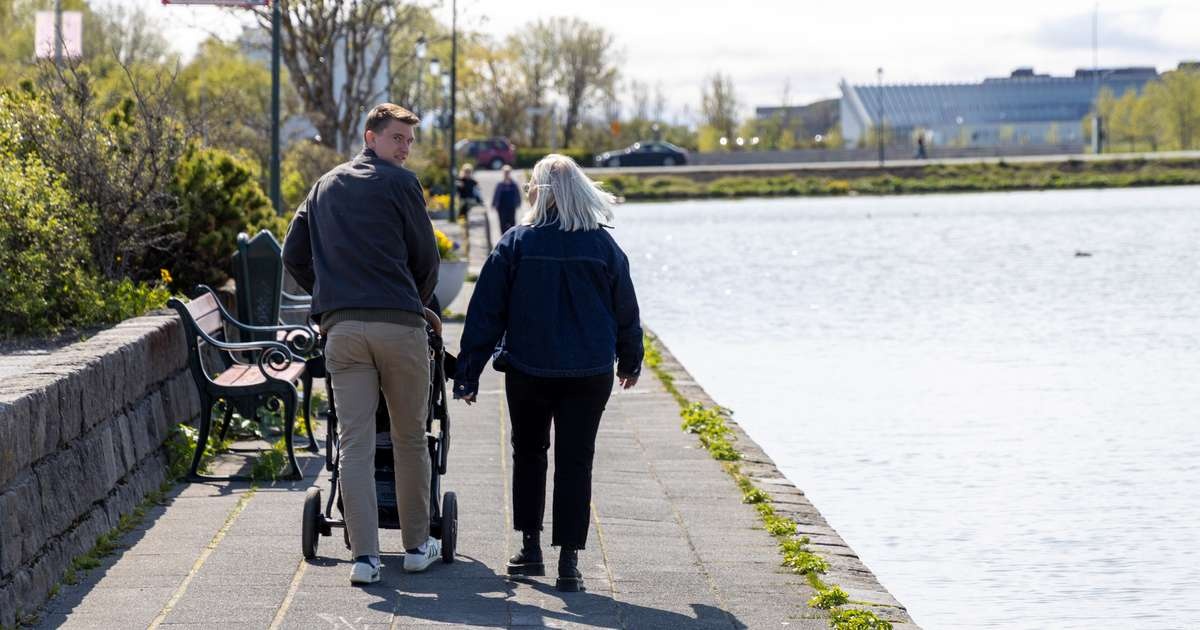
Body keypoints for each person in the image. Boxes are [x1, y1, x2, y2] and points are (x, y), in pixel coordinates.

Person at [452, 154, 643, 593]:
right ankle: (569, 562)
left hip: (529, 368)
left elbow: (485, 313)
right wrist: (630, 360)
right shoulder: (604, 246)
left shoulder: (517, 243)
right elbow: (626, 311)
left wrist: (469, 372)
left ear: (536, 193)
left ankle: (530, 548)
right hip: (589, 371)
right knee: (577, 460)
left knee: (530, 452)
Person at [282, 103, 442, 586]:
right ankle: (416, 546)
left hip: (344, 330)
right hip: (399, 326)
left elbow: (293, 254)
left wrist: (329, 297)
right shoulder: (402, 184)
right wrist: (414, 301)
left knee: (353, 442)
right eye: (397, 138)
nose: (405, 148)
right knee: (410, 436)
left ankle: (365, 559)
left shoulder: (324, 186)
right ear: (370, 137)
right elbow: (426, 257)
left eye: (409, 141)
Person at [491, 165, 522, 234]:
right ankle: (503, 236)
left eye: (508, 172)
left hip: (511, 206)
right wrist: (494, 204)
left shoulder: (514, 184)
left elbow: (517, 194)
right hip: (501, 207)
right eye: (505, 172)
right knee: (502, 223)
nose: (506, 174)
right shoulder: (500, 184)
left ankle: (512, 236)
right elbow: (496, 195)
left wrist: (518, 202)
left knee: (512, 222)